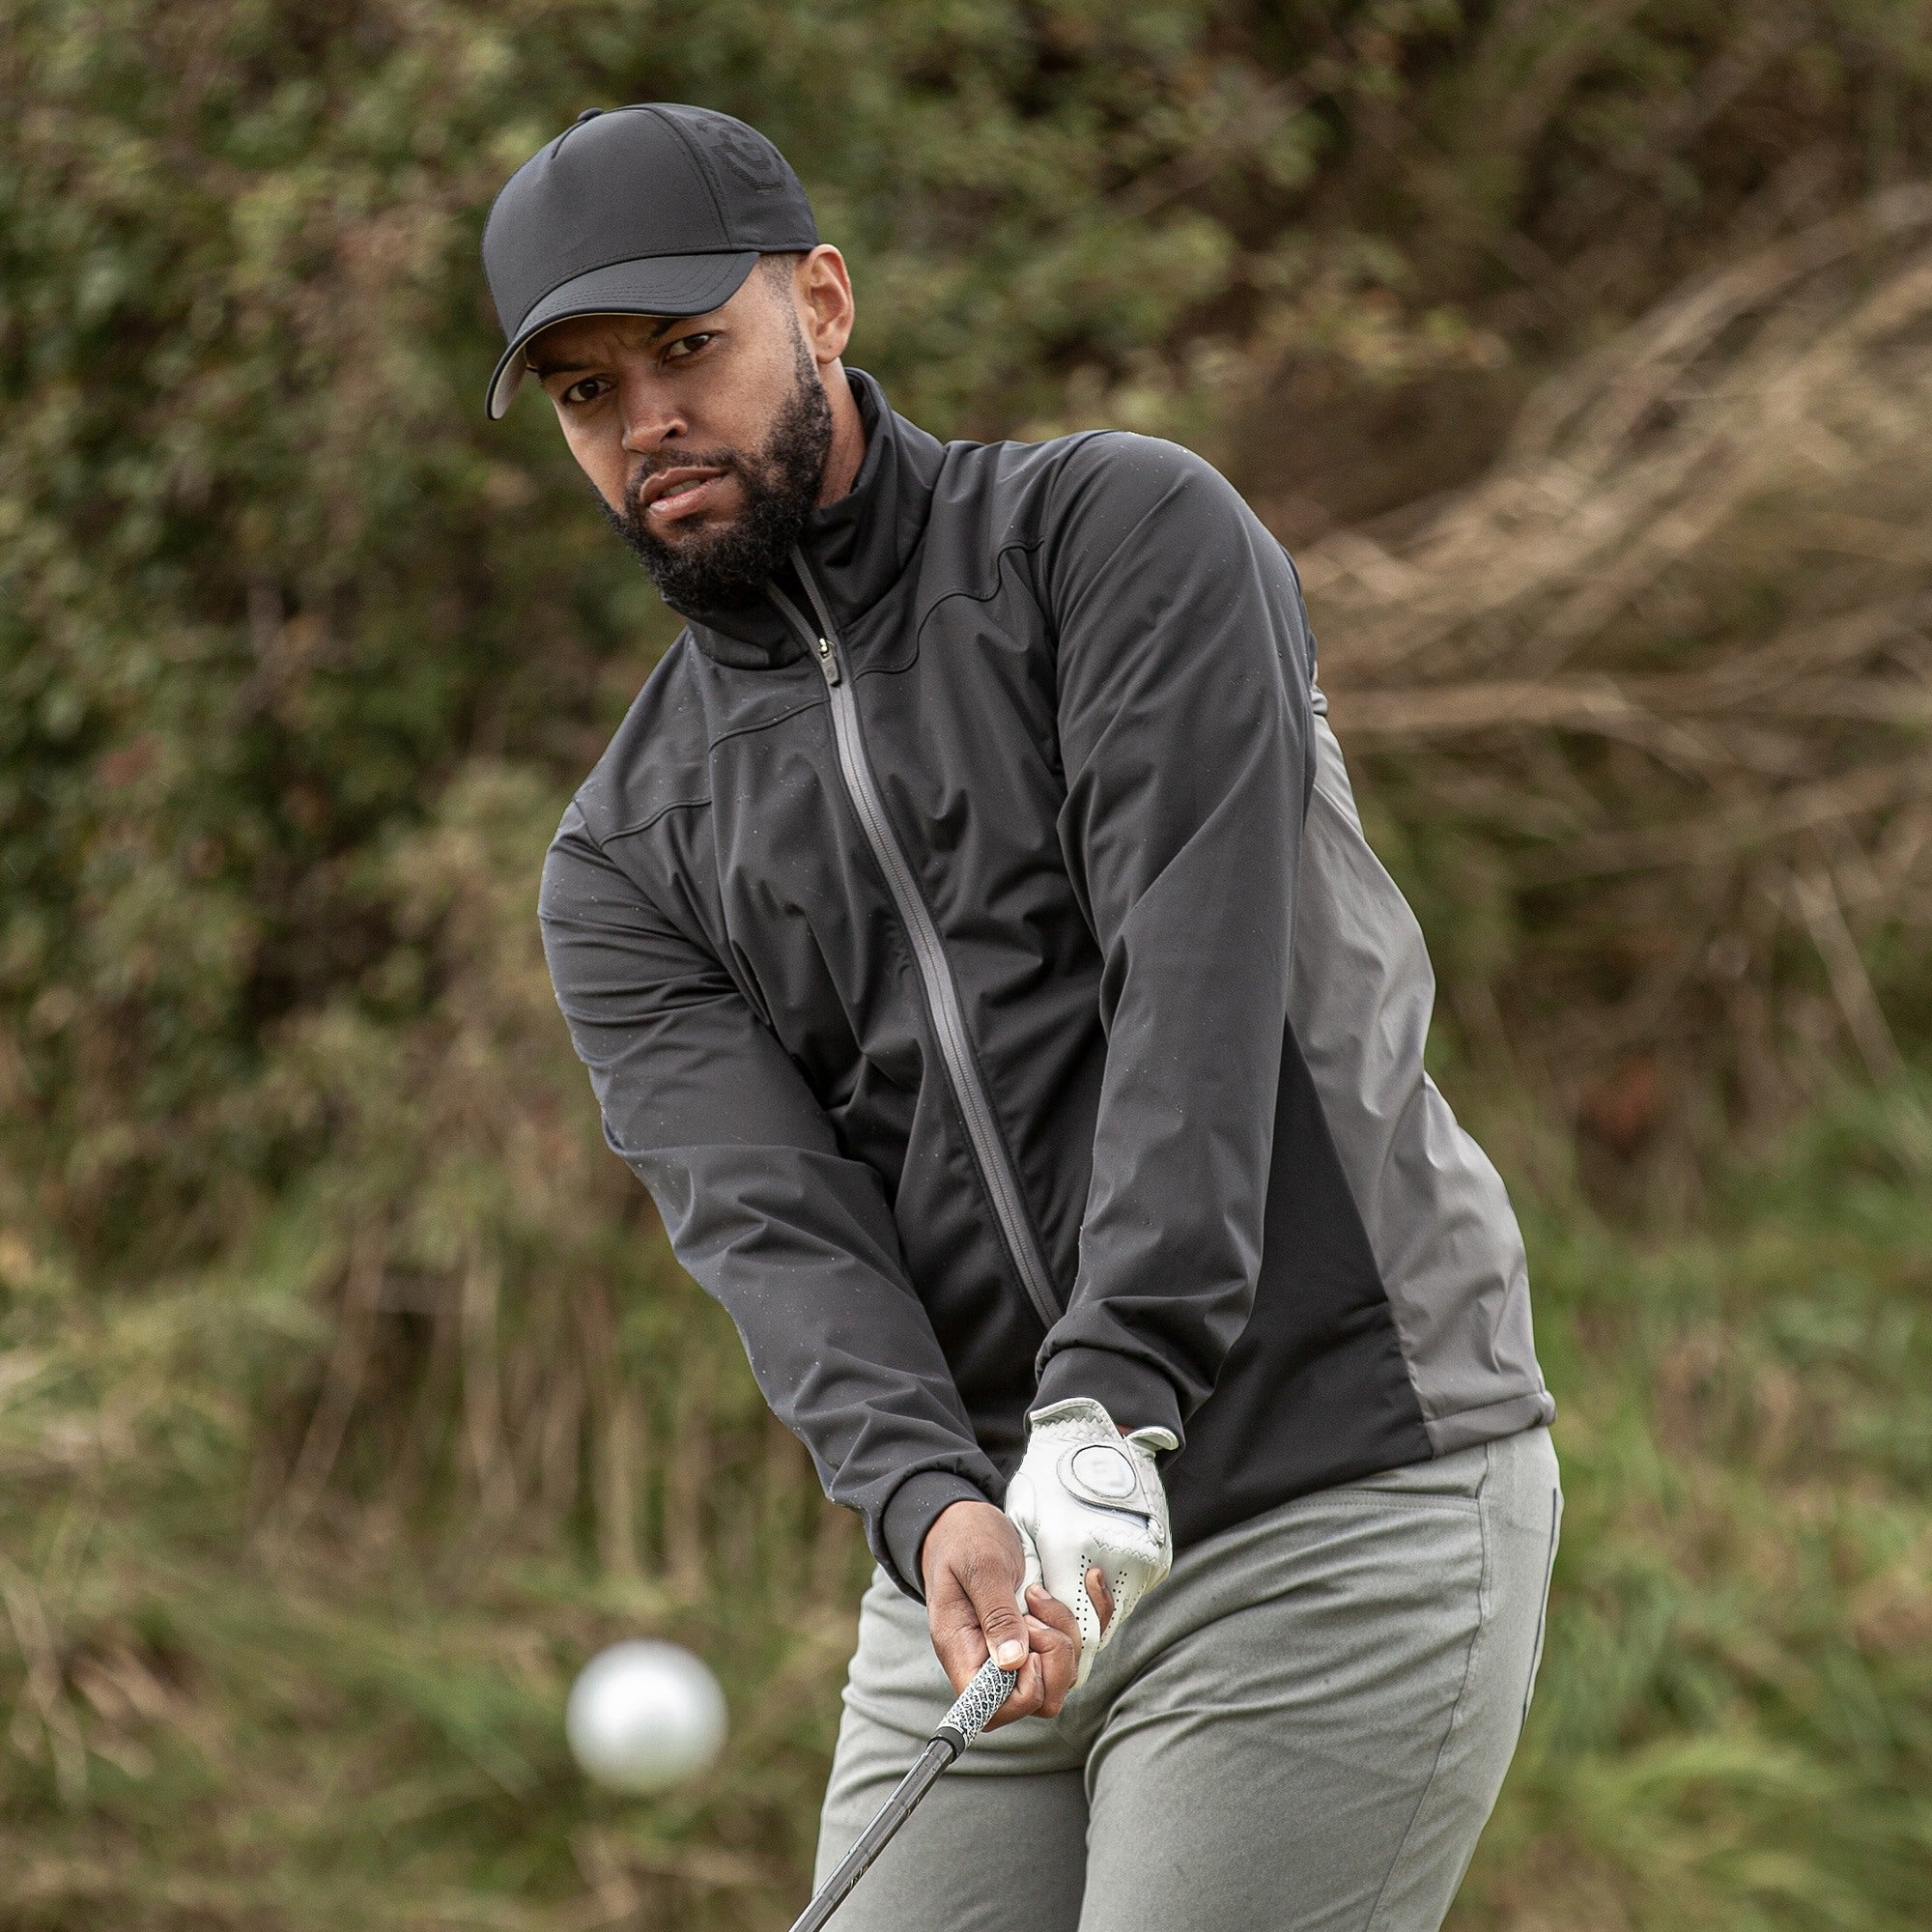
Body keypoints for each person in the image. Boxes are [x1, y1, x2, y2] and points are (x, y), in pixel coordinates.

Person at [484, 102, 1561, 1931]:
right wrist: (926, 1503)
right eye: (591, 393)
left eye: (688, 349)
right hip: (994, 1570)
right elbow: (777, 1231)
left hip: (1337, 1473)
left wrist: (1111, 1390)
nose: (648, 420)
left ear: (823, 304)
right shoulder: (624, 857)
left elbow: (1193, 985)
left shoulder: (1117, 539)